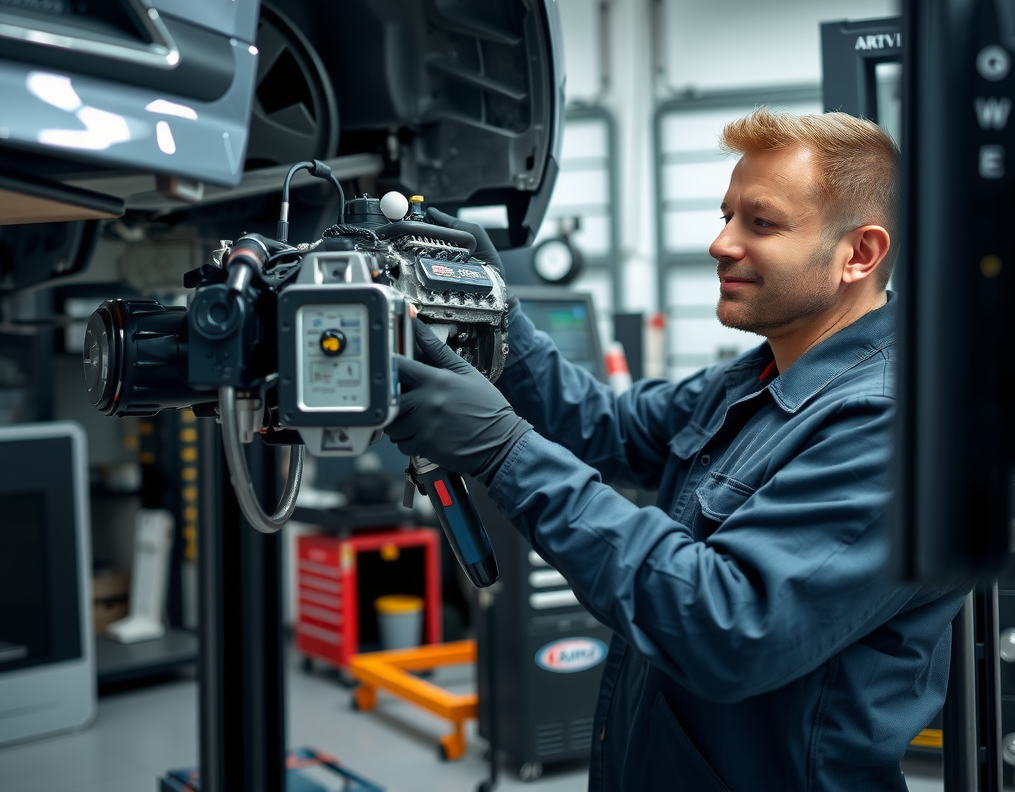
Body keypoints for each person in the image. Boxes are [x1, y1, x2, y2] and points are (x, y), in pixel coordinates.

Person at [387, 109, 966, 792]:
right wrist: (500, 313)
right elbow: (607, 427)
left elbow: (727, 624)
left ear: (859, 254)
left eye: (762, 222)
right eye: (726, 216)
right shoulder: (756, 376)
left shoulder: (892, 427)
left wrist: (504, 451)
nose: (722, 243)